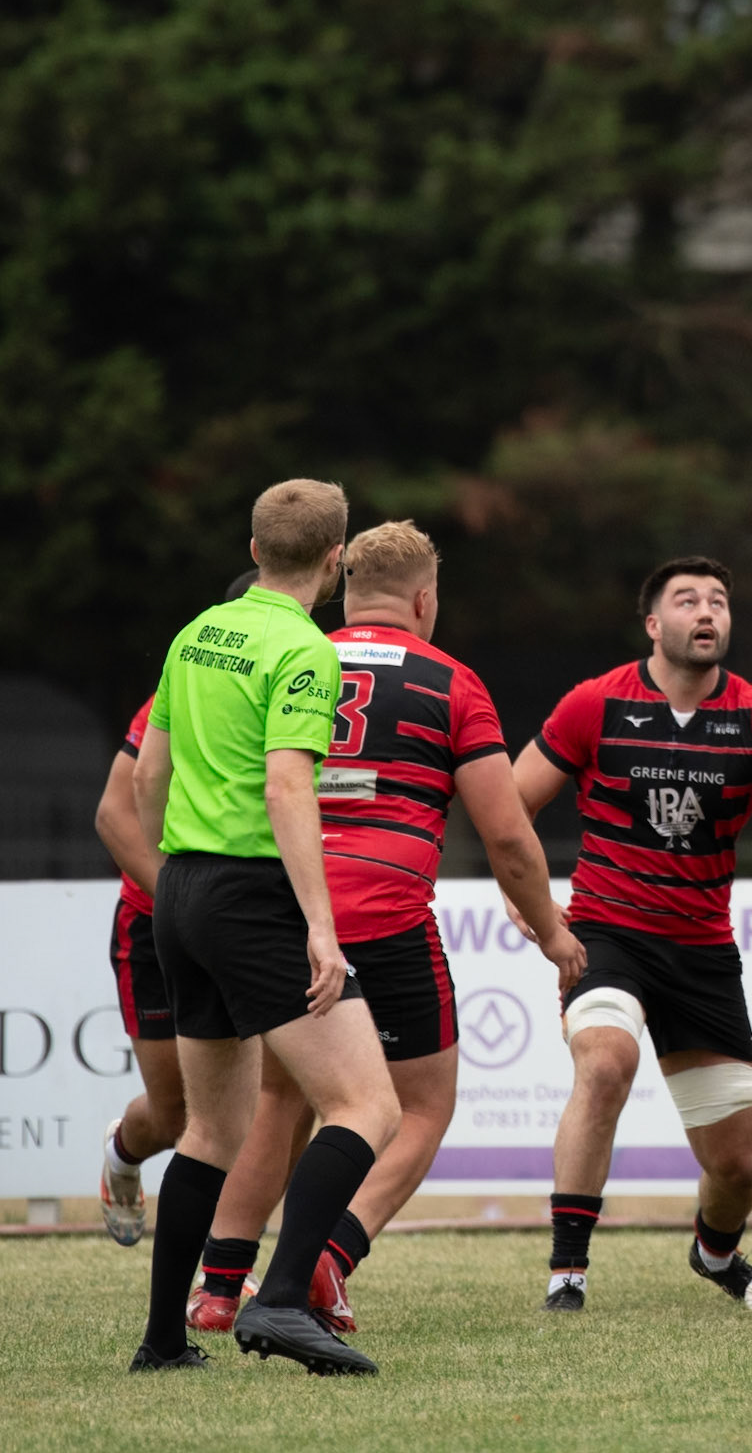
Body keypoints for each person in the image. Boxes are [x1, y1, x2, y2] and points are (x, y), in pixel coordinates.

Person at [181, 522, 584, 1336]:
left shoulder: (294, 654)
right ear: (426, 598)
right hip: (386, 912)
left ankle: (218, 1287)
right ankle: (329, 1254)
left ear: (342, 584)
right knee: (422, 1105)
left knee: (281, 1096)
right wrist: (553, 933)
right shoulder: (451, 683)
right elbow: (507, 837)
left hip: (283, 909)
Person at [128, 479, 399, 1376]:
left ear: (253, 551)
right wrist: (321, 927)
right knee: (367, 1105)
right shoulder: (308, 650)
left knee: (214, 1128)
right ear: (335, 560)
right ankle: (281, 1302)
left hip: (181, 891)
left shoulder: (195, 633)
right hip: (251, 898)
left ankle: (164, 1340)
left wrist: (179, 880)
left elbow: (147, 778)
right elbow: (288, 788)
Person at [510, 556, 752, 1313]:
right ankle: (567, 1271)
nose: (707, 612)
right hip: (606, 935)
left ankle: (714, 1255)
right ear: (654, 624)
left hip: (702, 951)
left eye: (718, 601)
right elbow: (506, 808)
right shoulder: (597, 703)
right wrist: (537, 910)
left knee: (740, 1170)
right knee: (606, 1063)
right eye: (687, 601)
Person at [93, 570, 260, 1246]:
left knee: (260, 1106)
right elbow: (113, 814)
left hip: (247, 922)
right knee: (175, 1116)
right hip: (158, 924)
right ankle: (122, 1156)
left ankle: (230, 1266)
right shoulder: (180, 689)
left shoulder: (298, 686)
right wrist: (185, 901)